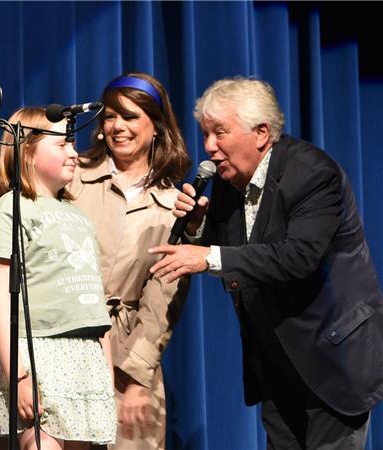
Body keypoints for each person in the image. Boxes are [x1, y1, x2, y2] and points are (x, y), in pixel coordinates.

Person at [148, 77, 383, 449]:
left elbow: (297, 256)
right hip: (276, 361)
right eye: (206, 134)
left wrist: (206, 255)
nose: (209, 147)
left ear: (260, 132)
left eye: (219, 133)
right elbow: (241, 252)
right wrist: (197, 228)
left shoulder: (313, 174)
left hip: (332, 356)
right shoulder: (229, 182)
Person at [0, 107, 116, 450]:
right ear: (27, 151)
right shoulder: (11, 209)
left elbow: (95, 304)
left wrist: (107, 369)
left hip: (83, 353)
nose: (74, 152)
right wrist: (19, 376)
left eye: (73, 143)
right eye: (63, 144)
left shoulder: (77, 216)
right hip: (37, 352)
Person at [68, 73, 191, 450]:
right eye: (110, 116)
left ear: (156, 126)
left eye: (131, 116)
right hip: (65, 346)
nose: (118, 126)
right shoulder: (72, 180)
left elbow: (164, 298)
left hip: (130, 356)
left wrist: (136, 376)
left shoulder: (176, 207)